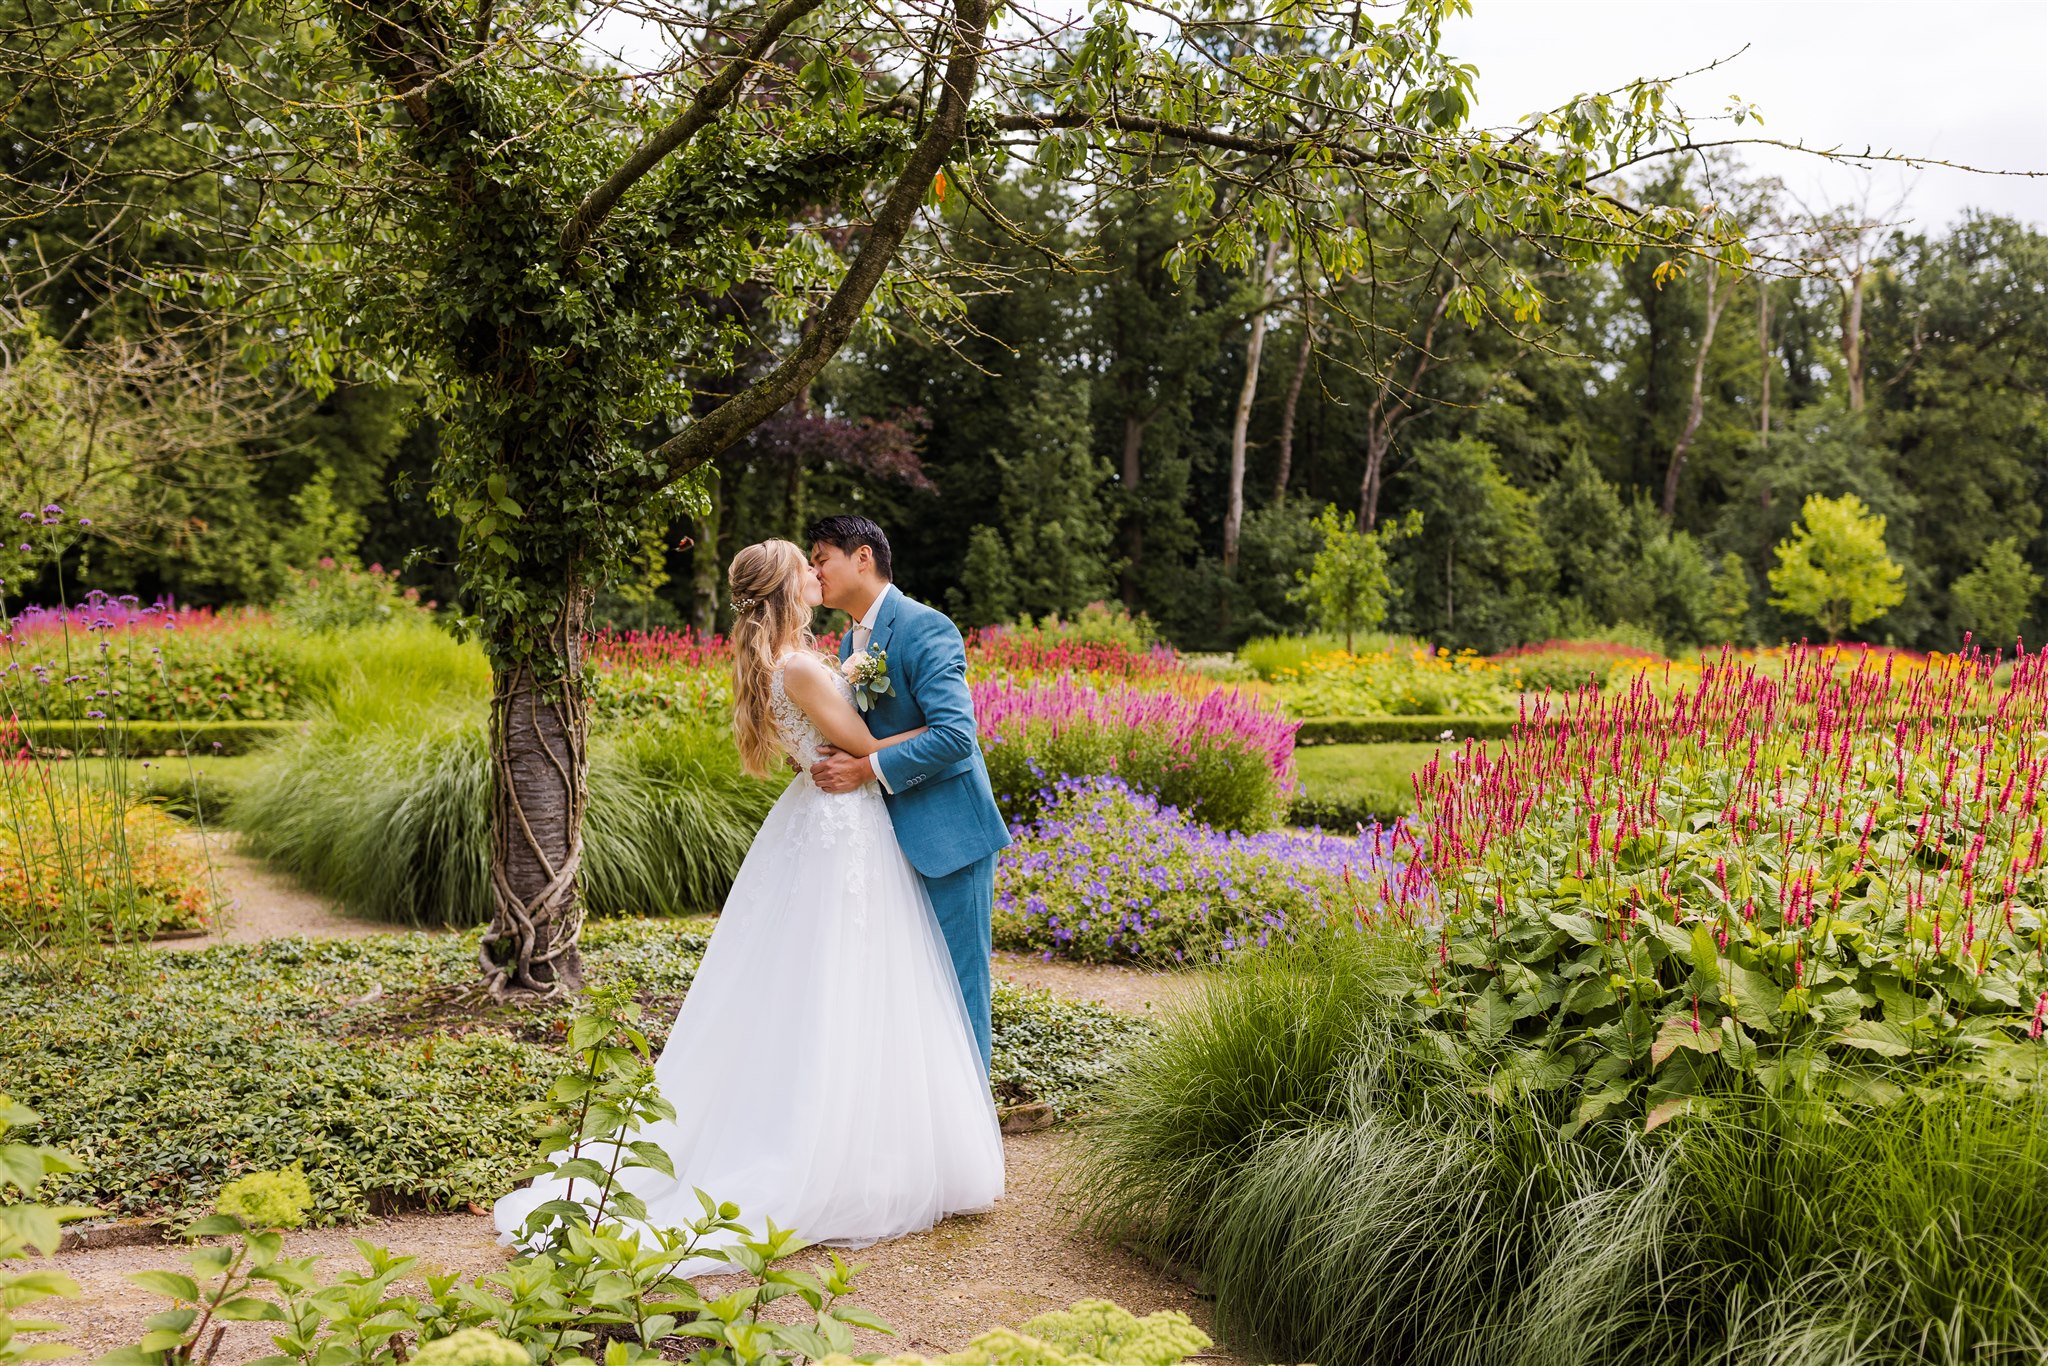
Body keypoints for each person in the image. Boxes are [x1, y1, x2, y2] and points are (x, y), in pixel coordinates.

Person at [493, 538, 1002, 1258]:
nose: (818, 575)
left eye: (823, 561)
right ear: (790, 589)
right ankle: (854, 1149)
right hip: (841, 826)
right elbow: (864, 740)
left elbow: (855, 732)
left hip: (825, 823)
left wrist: (867, 702)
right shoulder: (798, 666)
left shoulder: (793, 660)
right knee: (848, 981)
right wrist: (948, 737)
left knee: (838, 983)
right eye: (808, 568)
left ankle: (879, 1134)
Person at [804, 514, 1012, 1069]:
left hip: (949, 836)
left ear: (863, 557)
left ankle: (971, 1146)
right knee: (910, 992)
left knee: (959, 988)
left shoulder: (925, 626)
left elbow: (955, 735)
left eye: (822, 557)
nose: (813, 570)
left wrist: (867, 768)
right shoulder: (850, 639)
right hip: (885, 840)